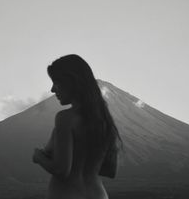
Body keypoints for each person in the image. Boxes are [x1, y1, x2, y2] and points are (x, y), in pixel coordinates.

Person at [32, 54, 123, 199]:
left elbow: (62, 170)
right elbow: (110, 170)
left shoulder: (65, 118)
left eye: (56, 82)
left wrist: (39, 157)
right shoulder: (104, 121)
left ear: (71, 82)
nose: (52, 89)